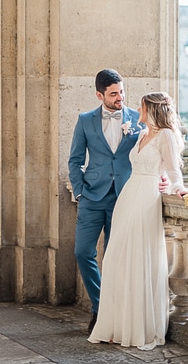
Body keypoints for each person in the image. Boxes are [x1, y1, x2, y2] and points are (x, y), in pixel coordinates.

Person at [88, 91, 188, 350]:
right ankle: (117, 326)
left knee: (136, 261)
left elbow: (173, 169)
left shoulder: (165, 135)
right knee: (115, 259)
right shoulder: (143, 134)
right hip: (129, 197)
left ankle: (135, 329)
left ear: (152, 109)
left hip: (146, 200)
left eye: (142, 106)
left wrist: (178, 188)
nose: (137, 109)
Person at [69, 69, 158, 333]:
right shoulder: (85, 121)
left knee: (115, 258)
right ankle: (100, 305)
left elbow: (153, 149)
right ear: (100, 95)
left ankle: (112, 315)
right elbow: (75, 160)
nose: (120, 97)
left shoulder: (137, 118)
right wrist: (79, 191)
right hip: (92, 196)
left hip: (125, 196)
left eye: (122, 91)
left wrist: (161, 178)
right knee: (83, 252)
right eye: (114, 93)